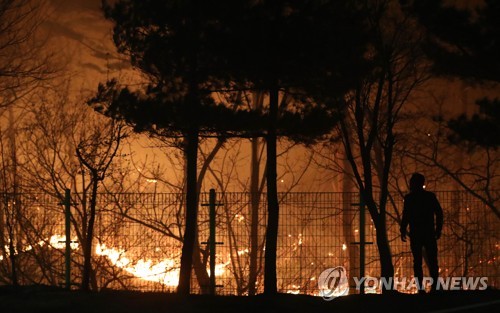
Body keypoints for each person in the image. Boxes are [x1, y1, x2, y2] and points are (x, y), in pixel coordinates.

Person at [400, 173, 443, 294]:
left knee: (417, 261)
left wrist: (403, 229)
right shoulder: (430, 197)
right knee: (432, 260)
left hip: (416, 233)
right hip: (428, 232)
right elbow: (439, 213)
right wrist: (438, 229)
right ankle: (435, 287)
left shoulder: (409, 198)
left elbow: (406, 215)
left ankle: (421, 289)